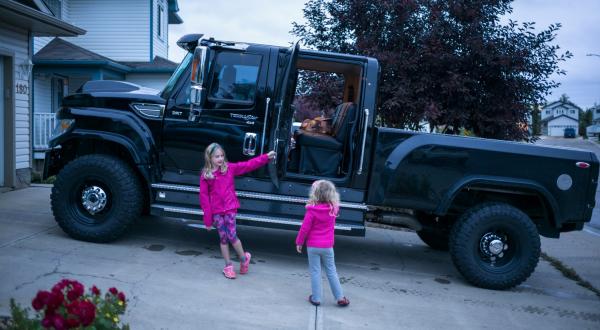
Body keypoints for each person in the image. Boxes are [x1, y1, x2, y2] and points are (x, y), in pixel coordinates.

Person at [199, 143, 276, 279]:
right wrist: (208, 219)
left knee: (232, 235)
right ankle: (228, 266)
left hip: (230, 208)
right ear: (209, 158)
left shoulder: (229, 168)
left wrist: (265, 158)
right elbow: (204, 198)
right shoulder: (206, 175)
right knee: (223, 238)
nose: (220, 158)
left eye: (222, 155)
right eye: (217, 156)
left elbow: (248, 165)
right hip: (217, 211)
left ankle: (243, 259)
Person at [295, 180, 350, 307]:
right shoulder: (333, 209)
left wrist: (299, 242)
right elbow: (335, 203)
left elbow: (304, 228)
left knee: (315, 271)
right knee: (331, 271)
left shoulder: (311, 210)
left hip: (313, 246)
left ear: (315, 194)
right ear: (332, 194)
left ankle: (316, 298)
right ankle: (340, 297)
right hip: (327, 247)